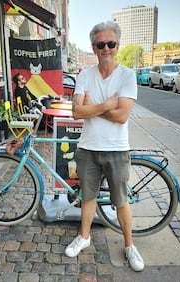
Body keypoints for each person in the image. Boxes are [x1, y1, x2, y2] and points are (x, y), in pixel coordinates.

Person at [65, 21, 144, 272]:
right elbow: (77, 112)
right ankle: (84, 237)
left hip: (117, 148)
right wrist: (106, 104)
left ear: (117, 46)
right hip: (88, 148)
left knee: (120, 200)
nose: (106, 48)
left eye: (111, 44)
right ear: (94, 47)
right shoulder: (84, 75)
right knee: (87, 198)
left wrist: (93, 108)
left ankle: (130, 245)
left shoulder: (127, 76)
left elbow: (122, 116)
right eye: (101, 44)